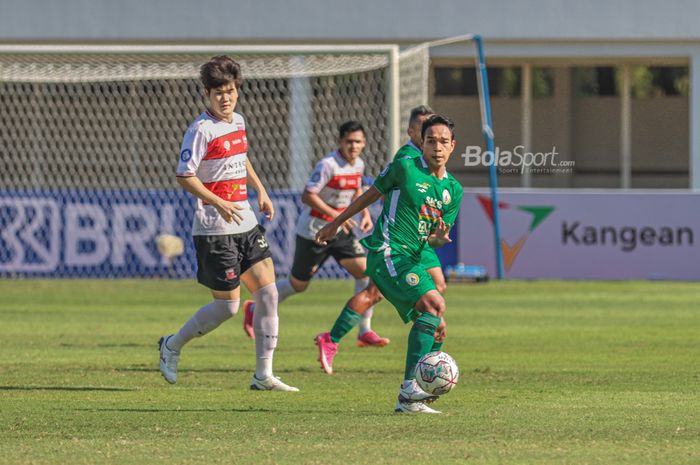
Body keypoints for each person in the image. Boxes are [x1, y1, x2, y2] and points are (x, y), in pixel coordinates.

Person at [158, 55, 298, 392]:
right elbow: (184, 175)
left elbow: (241, 157)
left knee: (269, 294)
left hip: (245, 222)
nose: (226, 97)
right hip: (214, 228)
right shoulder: (200, 130)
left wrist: (261, 190)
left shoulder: (238, 121)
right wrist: (218, 202)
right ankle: (172, 345)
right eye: (219, 92)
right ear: (207, 93)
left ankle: (263, 375)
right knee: (228, 306)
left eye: (231, 90)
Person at [315, 115, 463, 413]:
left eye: (443, 142)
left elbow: (433, 239)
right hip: (386, 250)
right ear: (421, 143)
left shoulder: (453, 190)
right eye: (430, 140)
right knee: (434, 305)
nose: (437, 147)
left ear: (453, 146)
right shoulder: (405, 167)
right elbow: (369, 195)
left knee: (437, 327)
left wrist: (437, 238)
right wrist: (336, 222)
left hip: (412, 257)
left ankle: (414, 395)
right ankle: (411, 389)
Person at [241, 121, 391, 348]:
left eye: (358, 142)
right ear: (340, 142)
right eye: (349, 141)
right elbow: (308, 196)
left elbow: (356, 189)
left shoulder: (358, 164)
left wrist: (365, 214)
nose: (353, 146)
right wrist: (336, 216)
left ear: (364, 144)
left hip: (341, 232)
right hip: (314, 232)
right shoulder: (328, 165)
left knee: (367, 274)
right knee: (298, 285)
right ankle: (254, 307)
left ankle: (364, 331)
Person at [391, 105, 447, 295]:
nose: (429, 130)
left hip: (421, 236)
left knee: (438, 286)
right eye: (424, 126)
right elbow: (381, 192)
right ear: (411, 132)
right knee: (376, 293)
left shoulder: (430, 155)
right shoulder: (406, 158)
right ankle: (353, 326)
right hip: (401, 237)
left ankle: (429, 322)